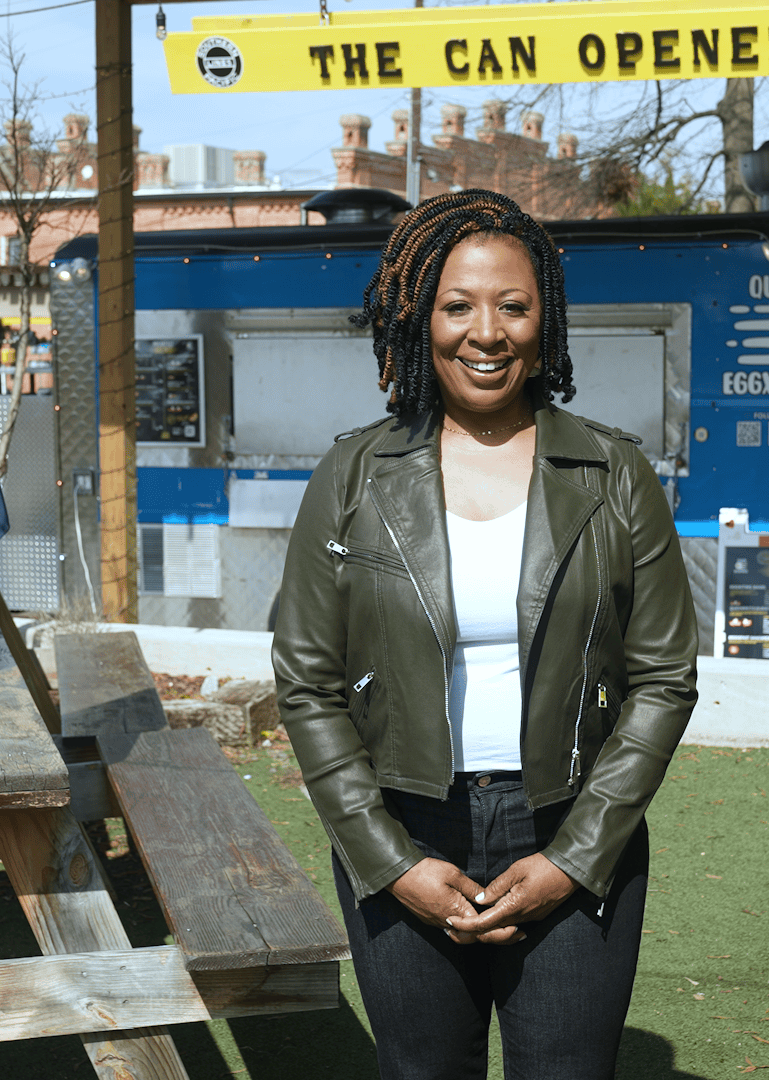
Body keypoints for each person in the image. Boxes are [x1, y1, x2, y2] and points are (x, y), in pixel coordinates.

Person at [272, 189, 699, 1079]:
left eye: (513, 306)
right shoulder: (352, 474)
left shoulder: (615, 473)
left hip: (574, 823)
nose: (487, 333)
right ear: (417, 318)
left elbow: (664, 677)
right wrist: (390, 862)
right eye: (457, 306)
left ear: (547, 321)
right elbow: (308, 681)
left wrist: (575, 857)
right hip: (405, 827)